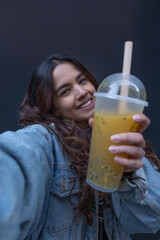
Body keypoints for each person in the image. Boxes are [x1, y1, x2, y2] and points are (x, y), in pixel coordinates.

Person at [0, 53, 160, 240]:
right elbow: (15, 157)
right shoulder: (44, 140)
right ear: (53, 107)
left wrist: (128, 173)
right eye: (65, 91)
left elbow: (152, 219)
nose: (82, 92)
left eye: (82, 81)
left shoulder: (122, 139)